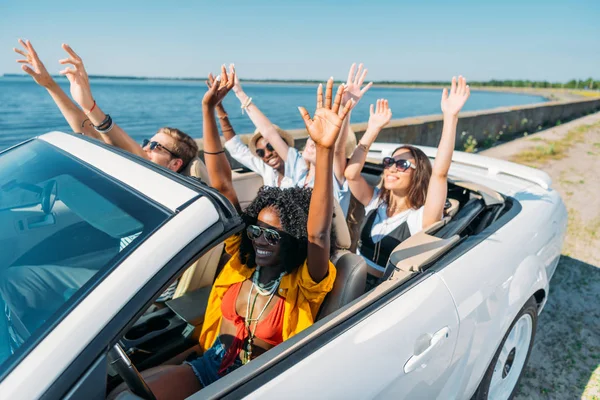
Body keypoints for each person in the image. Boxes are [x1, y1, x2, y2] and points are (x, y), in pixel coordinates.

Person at [108, 68, 351, 400]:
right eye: (257, 230)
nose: (262, 239)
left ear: (293, 238)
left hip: (252, 384)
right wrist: (207, 110)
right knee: (124, 396)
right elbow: (222, 185)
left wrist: (324, 151)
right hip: (208, 365)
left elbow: (319, 234)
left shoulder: (303, 283)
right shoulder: (242, 261)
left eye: (274, 235)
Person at [14, 40, 198, 174]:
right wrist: (50, 85)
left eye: (156, 146)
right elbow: (89, 131)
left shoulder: (164, 183)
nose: (146, 148)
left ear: (175, 165)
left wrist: (90, 105)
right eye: (147, 143)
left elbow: (136, 155)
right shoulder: (133, 168)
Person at [344, 76, 471, 272]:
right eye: (389, 162)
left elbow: (439, 175)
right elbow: (351, 173)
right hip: (351, 278)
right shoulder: (376, 202)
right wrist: (373, 128)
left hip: (383, 292)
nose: (392, 168)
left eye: (402, 164)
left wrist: (451, 117)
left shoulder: (419, 218)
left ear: (418, 174)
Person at [230, 64, 371, 216]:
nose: (312, 142)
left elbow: (338, 149)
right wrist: (239, 92)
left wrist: (345, 108)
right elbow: (269, 132)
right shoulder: (299, 169)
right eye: (312, 138)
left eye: (319, 141)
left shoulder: (334, 177)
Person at [216, 68, 306, 188]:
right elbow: (236, 148)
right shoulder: (268, 170)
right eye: (260, 152)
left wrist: (239, 92)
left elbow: (269, 132)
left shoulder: (300, 168)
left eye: (270, 146)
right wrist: (218, 105)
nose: (267, 154)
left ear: (282, 143)